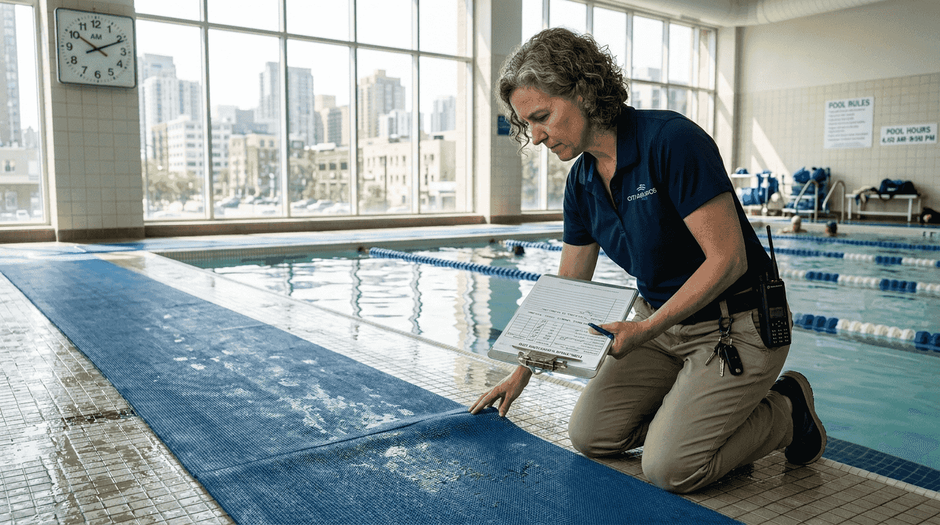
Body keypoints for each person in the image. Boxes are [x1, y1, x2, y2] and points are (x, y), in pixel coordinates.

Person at [468, 28, 826, 494]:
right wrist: (523, 369)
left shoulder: (670, 141)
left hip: (736, 323)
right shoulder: (581, 183)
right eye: (527, 125)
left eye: (542, 117)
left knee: (670, 469)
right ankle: (693, 420)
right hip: (660, 328)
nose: (536, 137)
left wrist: (645, 330)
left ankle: (786, 412)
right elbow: (570, 286)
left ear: (582, 90)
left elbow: (729, 259)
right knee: (591, 437)